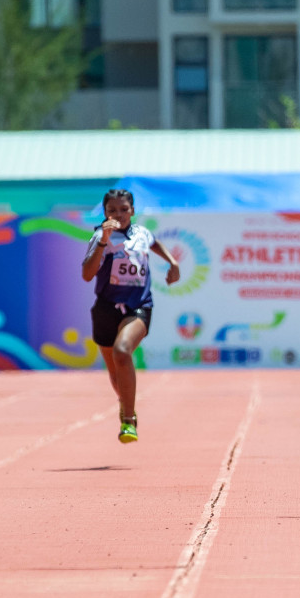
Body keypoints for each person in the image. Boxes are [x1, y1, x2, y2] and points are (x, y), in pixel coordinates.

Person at [81, 189, 180, 443]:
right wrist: (103, 239)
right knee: (115, 372)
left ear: (132, 211)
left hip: (138, 306)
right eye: (112, 210)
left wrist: (173, 263)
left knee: (123, 351)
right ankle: (128, 404)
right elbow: (87, 274)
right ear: (105, 213)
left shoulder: (142, 234)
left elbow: (154, 242)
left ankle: (127, 419)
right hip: (106, 308)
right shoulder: (100, 237)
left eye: (124, 209)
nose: (119, 215)